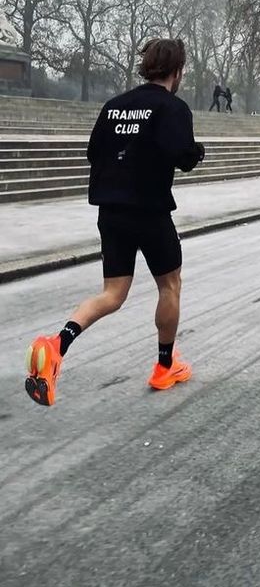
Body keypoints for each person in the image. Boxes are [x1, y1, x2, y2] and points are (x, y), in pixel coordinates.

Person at [24, 38, 206, 407]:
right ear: (177, 70)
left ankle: (57, 344)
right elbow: (183, 155)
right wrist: (197, 151)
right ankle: (164, 366)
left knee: (112, 293)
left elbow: (94, 152)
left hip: (110, 210)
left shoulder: (114, 106)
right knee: (170, 286)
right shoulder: (172, 107)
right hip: (150, 211)